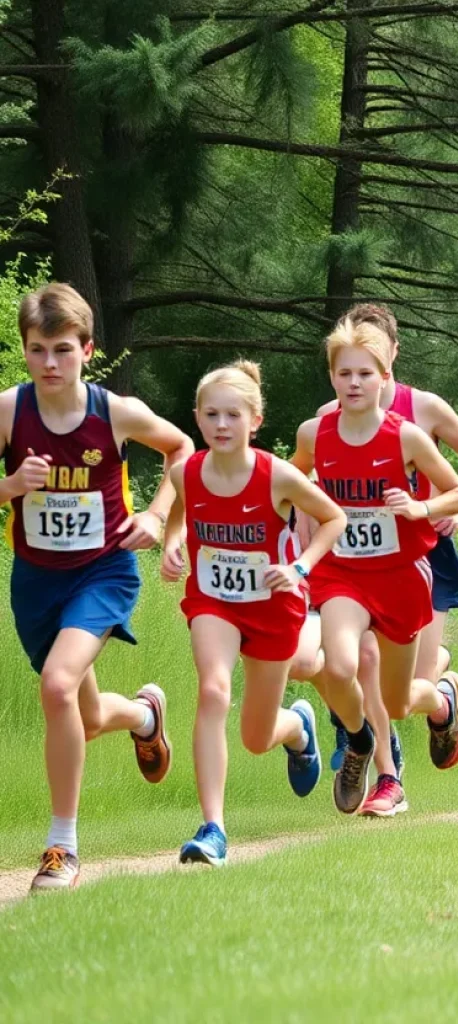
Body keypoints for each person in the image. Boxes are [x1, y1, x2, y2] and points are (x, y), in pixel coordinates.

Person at [3, 283, 193, 891]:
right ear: (25, 351)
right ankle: (143, 716)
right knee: (78, 718)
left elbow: (181, 449)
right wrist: (11, 487)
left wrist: (160, 517)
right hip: (36, 580)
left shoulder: (115, 412)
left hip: (103, 571)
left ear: (88, 348)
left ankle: (61, 847)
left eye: (62, 349)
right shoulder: (9, 411)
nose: (50, 364)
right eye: (37, 350)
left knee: (57, 686)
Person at [295, 303, 458, 817]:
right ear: (333, 374)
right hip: (343, 572)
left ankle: (442, 700)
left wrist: (425, 507)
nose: (355, 382)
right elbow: (287, 482)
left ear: (387, 369)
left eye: (365, 372)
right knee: (344, 664)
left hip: (404, 569)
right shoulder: (315, 431)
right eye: (344, 373)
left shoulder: (410, 428)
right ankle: (364, 748)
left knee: (400, 699)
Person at [161, 362, 348, 866]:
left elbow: (334, 518)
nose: (221, 425)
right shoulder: (186, 472)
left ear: (255, 420)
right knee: (213, 689)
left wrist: (301, 567)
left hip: (273, 607)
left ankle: (297, 729)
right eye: (211, 415)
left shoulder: (277, 475)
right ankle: (214, 828)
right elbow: (179, 509)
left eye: (233, 415)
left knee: (255, 736)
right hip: (213, 602)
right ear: (197, 418)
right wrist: (172, 544)